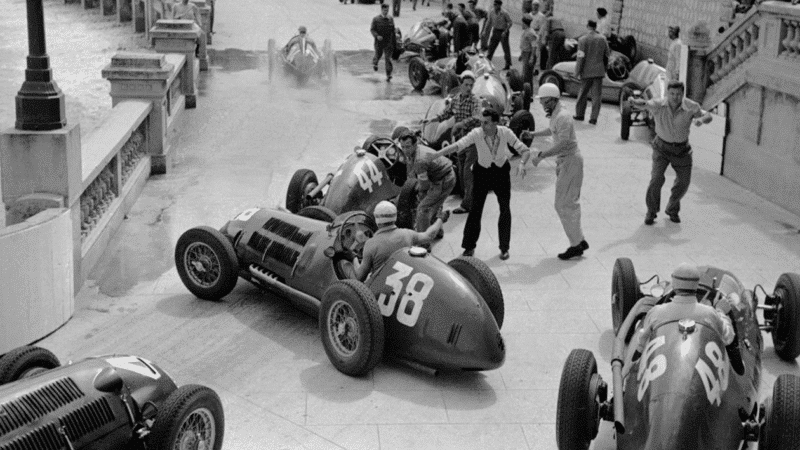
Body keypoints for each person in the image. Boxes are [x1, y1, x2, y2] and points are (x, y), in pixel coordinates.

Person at [432, 108, 532, 260]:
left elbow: (524, 150)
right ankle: (469, 246)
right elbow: (459, 145)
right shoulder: (477, 133)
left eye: (486, 123)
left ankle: (504, 248)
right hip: (482, 173)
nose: (483, 126)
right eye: (481, 122)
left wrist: (522, 163)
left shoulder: (505, 132)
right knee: (475, 210)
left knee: (505, 209)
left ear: (495, 123)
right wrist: (438, 154)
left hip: (501, 173)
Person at [630, 80, 712, 225]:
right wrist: (633, 101)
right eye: (672, 94)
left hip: (682, 150)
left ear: (683, 94)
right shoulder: (658, 104)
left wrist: (701, 120)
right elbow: (644, 104)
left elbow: (707, 116)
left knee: (684, 183)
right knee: (656, 179)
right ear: (668, 93)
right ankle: (651, 211)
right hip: (661, 148)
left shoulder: (691, 106)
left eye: (678, 94)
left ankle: (672, 209)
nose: (675, 97)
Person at [528, 83, 589, 260]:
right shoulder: (557, 115)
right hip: (567, 162)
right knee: (567, 202)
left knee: (564, 204)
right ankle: (579, 240)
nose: (543, 105)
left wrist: (542, 155)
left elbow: (562, 143)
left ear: (553, 100)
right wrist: (534, 134)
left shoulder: (563, 116)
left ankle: (576, 244)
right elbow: (551, 130)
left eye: (545, 102)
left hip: (570, 161)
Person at [635, 263, 735, 353]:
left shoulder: (657, 312)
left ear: (673, 284)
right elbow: (728, 337)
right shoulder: (709, 313)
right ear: (696, 285)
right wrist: (721, 311)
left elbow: (641, 341)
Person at [424, 71, 481, 214]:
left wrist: (461, 124)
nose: (469, 88)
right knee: (461, 170)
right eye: (466, 85)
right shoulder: (456, 99)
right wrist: (433, 120)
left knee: (468, 172)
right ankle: (467, 196)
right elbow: (446, 113)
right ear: (460, 84)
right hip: (460, 140)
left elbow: (477, 117)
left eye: (471, 85)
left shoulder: (475, 101)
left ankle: (468, 205)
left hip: (473, 139)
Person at [353, 201, 450, 282]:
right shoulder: (407, 234)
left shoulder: (370, 244)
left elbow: (359, 277)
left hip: (382, 289)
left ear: (376, 219)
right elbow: (429, 235)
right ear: (395, 217)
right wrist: (440, 219)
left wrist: (353, 258)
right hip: (407, 281)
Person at [396, 130, 457, 236]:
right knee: (432, 203)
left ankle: (423, 244)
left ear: (415, 144)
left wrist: (417, 192)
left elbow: (424, 185)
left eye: (408, 146)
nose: (405, 150)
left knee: (423, 209)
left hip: (444, 179)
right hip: (438, 175)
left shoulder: (420, 160)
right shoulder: (413, 152)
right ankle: (437, 231)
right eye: (402, 147)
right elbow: (410, 171)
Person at [573, 20, 609, 125]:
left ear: (587, 26)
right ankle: (593, 118)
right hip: (598, 71)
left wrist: (577, 72)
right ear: (595, 26)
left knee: (582, 94)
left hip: (586, 71)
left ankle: (580, 115)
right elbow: (607, 54)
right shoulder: (603, 39)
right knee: (597, 95)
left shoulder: (582, 40)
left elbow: (580, 57)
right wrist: (604, 69)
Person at [485, 0, 513, 70]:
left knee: (506, 48)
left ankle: (508, 64)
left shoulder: (504, 13)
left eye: (496, 5)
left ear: (500, 5)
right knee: (491, 47)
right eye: (494, 5)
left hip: (503, 32)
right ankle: (487, 61)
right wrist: (484, 31)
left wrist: (505, 31)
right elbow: (489, 21)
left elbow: (510, 22)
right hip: (495, 31)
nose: (495, 6)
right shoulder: (491, 11)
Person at [371, 3, 397, 82]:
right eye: (385, 10)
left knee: (388, 59)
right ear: (382, 10)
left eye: (387, 10)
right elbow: (372, 29)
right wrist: (377, 36)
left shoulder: (390, 19)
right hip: (379, 42)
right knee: (378, 55)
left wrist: (394, 41)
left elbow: (393, 30)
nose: (386, 12)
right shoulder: (376, 19)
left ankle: (389, 75)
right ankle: (375, 63)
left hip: (388, 42)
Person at [520, 16, 537, 88]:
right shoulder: (525, 31)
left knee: (527, 77)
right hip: (525, 53)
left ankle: (528, 93)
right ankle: (525, 91)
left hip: (529, 54)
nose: (521, 25)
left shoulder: (530, 33)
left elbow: (534, 46)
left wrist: (531, 57)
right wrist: (521, 55)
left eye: (522, 23)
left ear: (525, 24)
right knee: (525, 75)